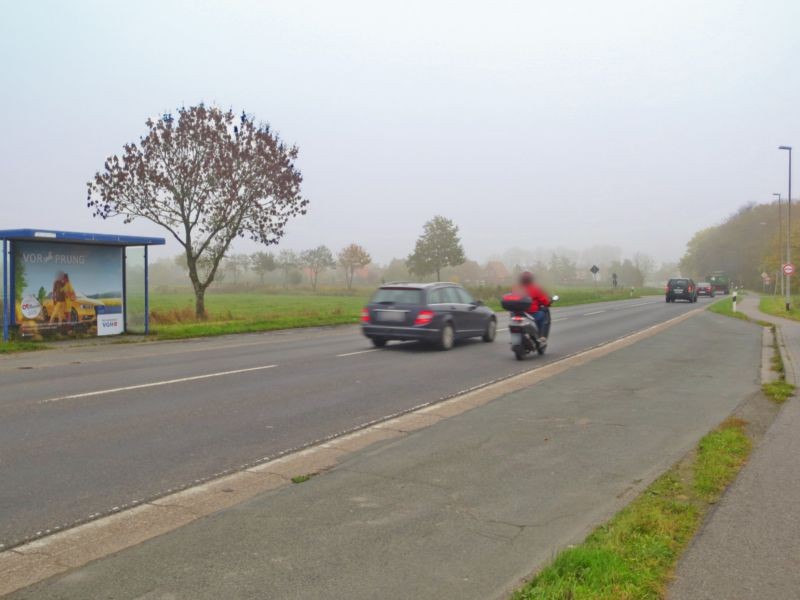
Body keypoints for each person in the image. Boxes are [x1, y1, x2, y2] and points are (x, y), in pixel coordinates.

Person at [517, 271, 551, 341]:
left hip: (518, 314)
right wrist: (548, 303)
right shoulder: (534, 288)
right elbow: (544, 300)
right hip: (532, 314)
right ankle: (541, 335)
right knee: (544, 313)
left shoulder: (516, 288)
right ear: (531, 279)